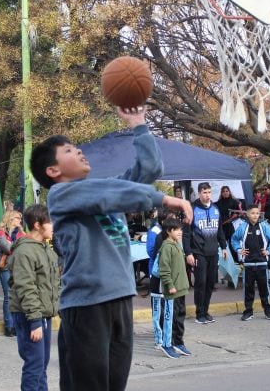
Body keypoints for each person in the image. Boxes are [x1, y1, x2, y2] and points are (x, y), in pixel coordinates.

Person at [30, 105, 192, 391]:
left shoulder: (104, 188)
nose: (79, 151)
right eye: (68, 150)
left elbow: (150, 169)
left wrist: (139, 124)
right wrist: (164, 200)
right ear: (53, 170)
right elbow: (114, 194)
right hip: (87, 304)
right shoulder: (61, 195)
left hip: (120, 298)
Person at [8, 204, 60, 391]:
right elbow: (26, 288)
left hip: (42, 314)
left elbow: (51, 284)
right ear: (37, 225)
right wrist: (35, 321)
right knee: (34, 365)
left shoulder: (45, 248)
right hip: (29, 316)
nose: (53, 226)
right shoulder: (26, 251)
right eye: (50, 222)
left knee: (41, 365)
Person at [183, 182, 227, 325]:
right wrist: (188, 253)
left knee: (210, 283)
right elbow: (186, 234)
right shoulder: (193, 210)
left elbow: (220, 229)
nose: (207, 195)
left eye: (209, 192)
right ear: (199, 193)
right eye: (204, 192)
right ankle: (199, 313)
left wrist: (224, 247)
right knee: (200, 283)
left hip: (213, 251)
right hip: (198, 252)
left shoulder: (215, 209)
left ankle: (206, 311)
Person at [231, 204, 270, 321]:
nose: (255, 215)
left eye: (257, 213)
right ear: (247, 214)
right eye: (252, 213)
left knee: (264, 289)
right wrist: (238, 249)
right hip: (248, 265)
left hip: (262, 264)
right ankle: (248, 311)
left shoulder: (264, 226)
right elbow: (234, 239)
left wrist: (269, 251)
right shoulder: (243, 227)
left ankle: (268, 310)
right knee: (248, 289)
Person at [157, 218, 191, 359]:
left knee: (179, 317)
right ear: (168, 231)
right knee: (169, 318)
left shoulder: (177, 244)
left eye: (181, 229)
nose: (180, 232)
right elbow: (164, 269)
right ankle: (167, 344)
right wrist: (170, 285)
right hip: (172, 290)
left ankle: (178, 342)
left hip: (181, 289)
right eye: (176, 230)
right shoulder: (166, 247)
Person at [0, 209, 23, 337]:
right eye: (17, 218)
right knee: (8, 296)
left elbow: (26, 248)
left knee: (18, 298)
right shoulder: (1, 231)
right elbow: (6, 247)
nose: (20, 220)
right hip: (6, 267)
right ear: (10, 218)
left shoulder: (21, 232)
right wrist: (17, 246)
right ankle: (9, 326)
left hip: (19, 268)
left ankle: (16, 325)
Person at [215, 186, 241, 261]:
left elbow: (239, 213)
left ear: (229, 192)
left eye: (227, 191)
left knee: (233, 243)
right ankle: (224, 261)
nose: (225, 193)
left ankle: (236, 260)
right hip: (222, 226)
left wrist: (233, 218)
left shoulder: (234, 201)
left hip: (231, 225)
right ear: (221, 193)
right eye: (224, 191)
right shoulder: (218, 203)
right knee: (222, 244)